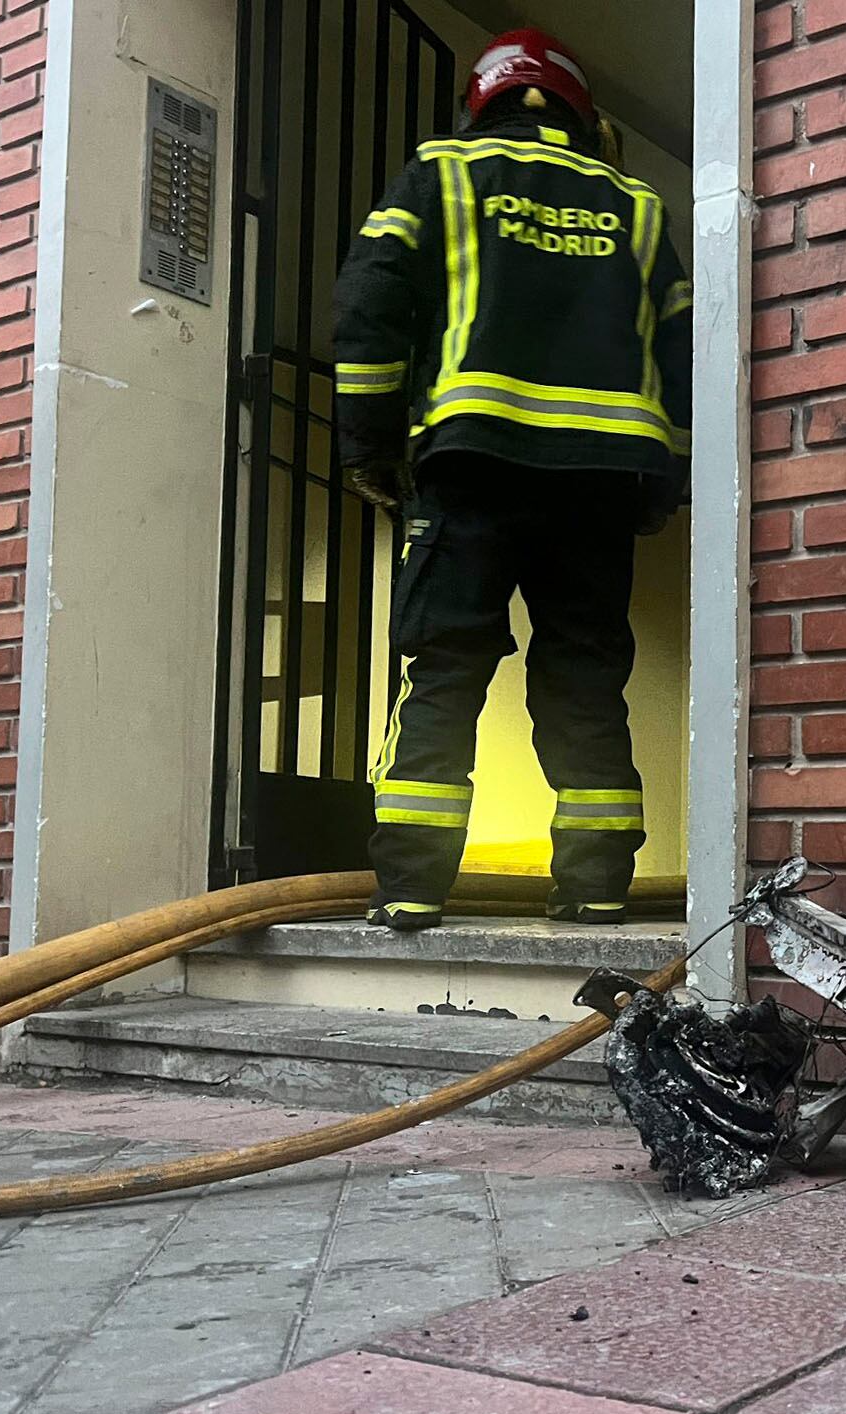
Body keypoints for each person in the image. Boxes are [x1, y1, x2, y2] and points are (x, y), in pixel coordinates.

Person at [332, 27, 691, 932]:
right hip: (601, 481)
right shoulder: (638, 207)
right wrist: (664, 480)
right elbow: (684, 352)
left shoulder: (441, 175)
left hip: (472, 466)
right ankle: (598, 886)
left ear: (483, 100)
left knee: (446, 666)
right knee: (582, 679)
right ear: (580, 111)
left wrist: (369, 450)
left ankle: (411, 887)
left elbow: (369, 309)